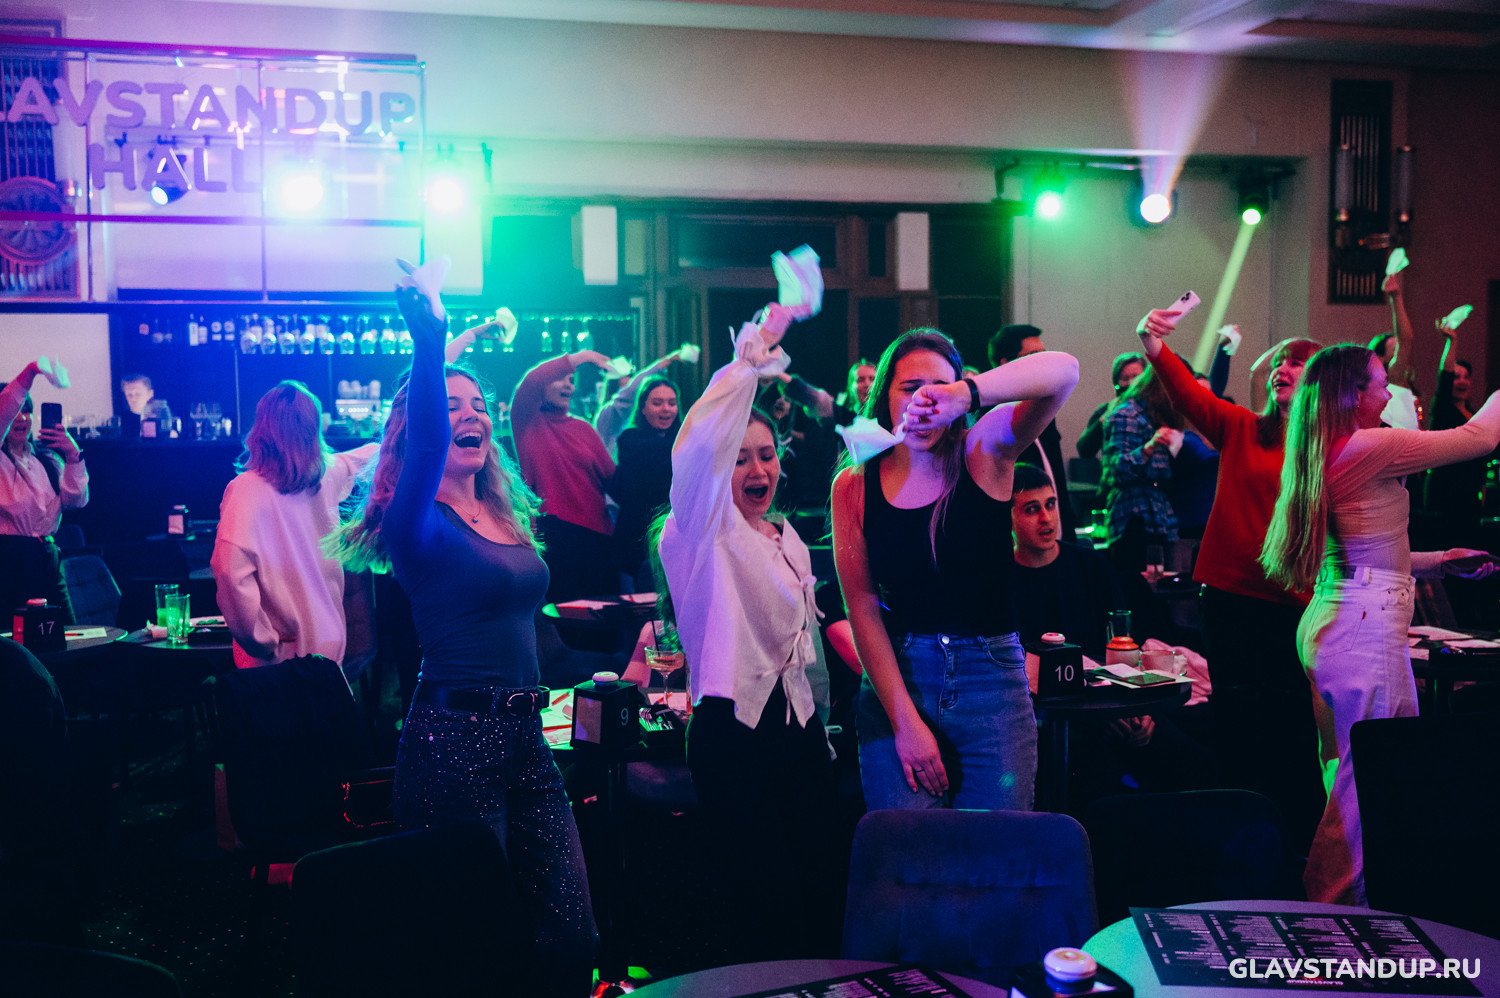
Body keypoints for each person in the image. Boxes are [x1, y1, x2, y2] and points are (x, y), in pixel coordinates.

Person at [331, 259, 594, 996]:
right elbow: (422, 445)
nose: (470, 415)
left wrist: (613, 671)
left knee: (572, 935)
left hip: (529, 735)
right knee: (475, 949)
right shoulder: (416, 523)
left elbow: (532, 637)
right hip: (453, 742)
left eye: (478, 404)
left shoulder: (505, 518)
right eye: (450, 406)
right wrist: (431, 337)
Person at [1260, 343, 1500, 905]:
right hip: (1362, 630)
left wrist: (1441, 562)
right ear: (1352, 394)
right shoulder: (1371, 446)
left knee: (1348, 776)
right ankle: (1333, 916)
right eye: (1379, 382)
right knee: (1367, 783)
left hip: (1338, 619)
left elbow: (1364, 554)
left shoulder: (1326, 448)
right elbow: (1481, 437)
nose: (1388, 392)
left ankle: (1349, 913)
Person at [656, 299, 840, 960]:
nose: (758, 470)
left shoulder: (787, 539)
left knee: (822, 897)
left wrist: (822, 727)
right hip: (732, 734)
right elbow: (699, 445)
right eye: (740, 460)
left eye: (766, 456)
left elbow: (806, 656)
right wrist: (754, 352)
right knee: (769, 911)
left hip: (800, 734)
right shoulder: (700, 529)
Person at [833, 327, 1078, 810]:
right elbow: (861, 607)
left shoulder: (983, 448)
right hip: (899, 679)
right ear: (885, 395)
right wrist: (905, 723)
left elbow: (1064, 371)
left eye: (939, 388)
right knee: (909, 848)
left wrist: (965, 394)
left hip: (991, 681)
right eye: (910, 388)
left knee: (993, 847)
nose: (926, 401)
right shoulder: (855, 484)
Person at [1136, 308, 1326, 855]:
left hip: (1294, 603)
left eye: (1297, 362)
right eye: (1279, 362)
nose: (1282, 368)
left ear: (1319, 381)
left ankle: (1294, 844)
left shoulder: (1328, 447)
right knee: (1238, 719)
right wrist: (1151, 341)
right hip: (1230, 598)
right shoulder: (1242, 427)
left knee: (1292, 723)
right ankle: (1239, 837)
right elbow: (1187, 395)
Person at [211, 381, 377, 671]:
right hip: (330, 644)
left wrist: (260, 640)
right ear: (314, 429)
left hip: (277, 659)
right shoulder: (327, 474)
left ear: (260, 429)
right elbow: (372, 454)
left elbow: (230, 573)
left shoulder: (245, 490)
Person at [510, 346, 617, 601]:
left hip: (598, 534)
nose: (568, 384)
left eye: (571, 380)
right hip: (554, 532)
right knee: (566, 615)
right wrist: (582, 357)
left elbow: (613, 480)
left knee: (606, 616)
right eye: (560, 378)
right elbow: (532, 380)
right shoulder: (528, 421)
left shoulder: (583, 428)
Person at [0, 360, 86, 622]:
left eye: (27, 411)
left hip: (48, 556)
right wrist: (32, 370)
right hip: (10, 560)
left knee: (67, 632)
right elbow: (4, 409)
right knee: (17, 637)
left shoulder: (46, 459)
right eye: (16, 412)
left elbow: (76, 501)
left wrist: (73, 455)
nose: (21, 418)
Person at [987, 323, 1076, 540]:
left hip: (1056, 531)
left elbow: (1055, 474)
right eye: (1034, 356)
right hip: (1015, 537)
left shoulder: (1043, 407)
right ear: (1006, 364)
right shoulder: (990, 415)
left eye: (1044, 355)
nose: (1043, 363)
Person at [1099, 365, 1181, 565]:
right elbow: (1119, 469)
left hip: (1158, 512)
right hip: (1133, 515)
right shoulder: (1127, 414)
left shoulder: (1153, 414)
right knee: (1135, 580)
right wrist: (1149, 447)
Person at [608, 374, 681, 585]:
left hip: (672, 537)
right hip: (637, 540)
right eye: (657, 403)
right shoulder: (631, 439)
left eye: (672, 403)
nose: (666, 409)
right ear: (642, 408)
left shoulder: (681, 441)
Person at [1076, 352, 1146, 462]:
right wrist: (1103, 420)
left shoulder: (1157, 409)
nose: (1131, 383)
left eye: (1136, 377)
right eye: (1125, 378)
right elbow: (1084, 451)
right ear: (1117, 383)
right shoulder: (1106, 410)